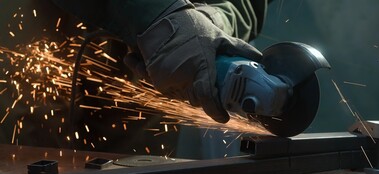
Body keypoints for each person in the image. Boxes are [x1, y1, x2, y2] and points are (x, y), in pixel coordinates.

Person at [51, 0, 270, 124]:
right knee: (38, 140)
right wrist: (161, 17)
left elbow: (247, 4)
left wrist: (210, 20)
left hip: (161, 60)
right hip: (58, 20)